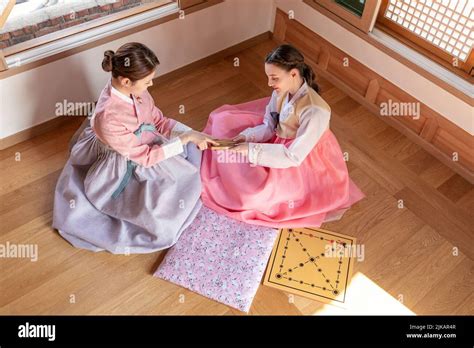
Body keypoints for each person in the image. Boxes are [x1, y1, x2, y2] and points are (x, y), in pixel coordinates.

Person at [53, 42, 217, 254]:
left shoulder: (135, 91)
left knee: (190, 161)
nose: (152, 84)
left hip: (142, 146)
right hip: (127, 159)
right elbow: (145, 158)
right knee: (157, 214)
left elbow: (158, 121)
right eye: (148, 81)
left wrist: (189, 133)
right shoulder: (108, 118)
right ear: (126, 81)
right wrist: (184, 140)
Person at [200, 44, 365, 228]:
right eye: (269, 77)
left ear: (293, 74)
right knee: (224, 123)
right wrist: (247, 137)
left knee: (251, 196)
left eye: (274, 78)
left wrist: (251, 150)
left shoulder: (315, 110)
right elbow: (269, 126)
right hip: (278, 144)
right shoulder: (280, 93)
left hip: (299, 159)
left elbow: (293, 156)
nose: (270, 83)